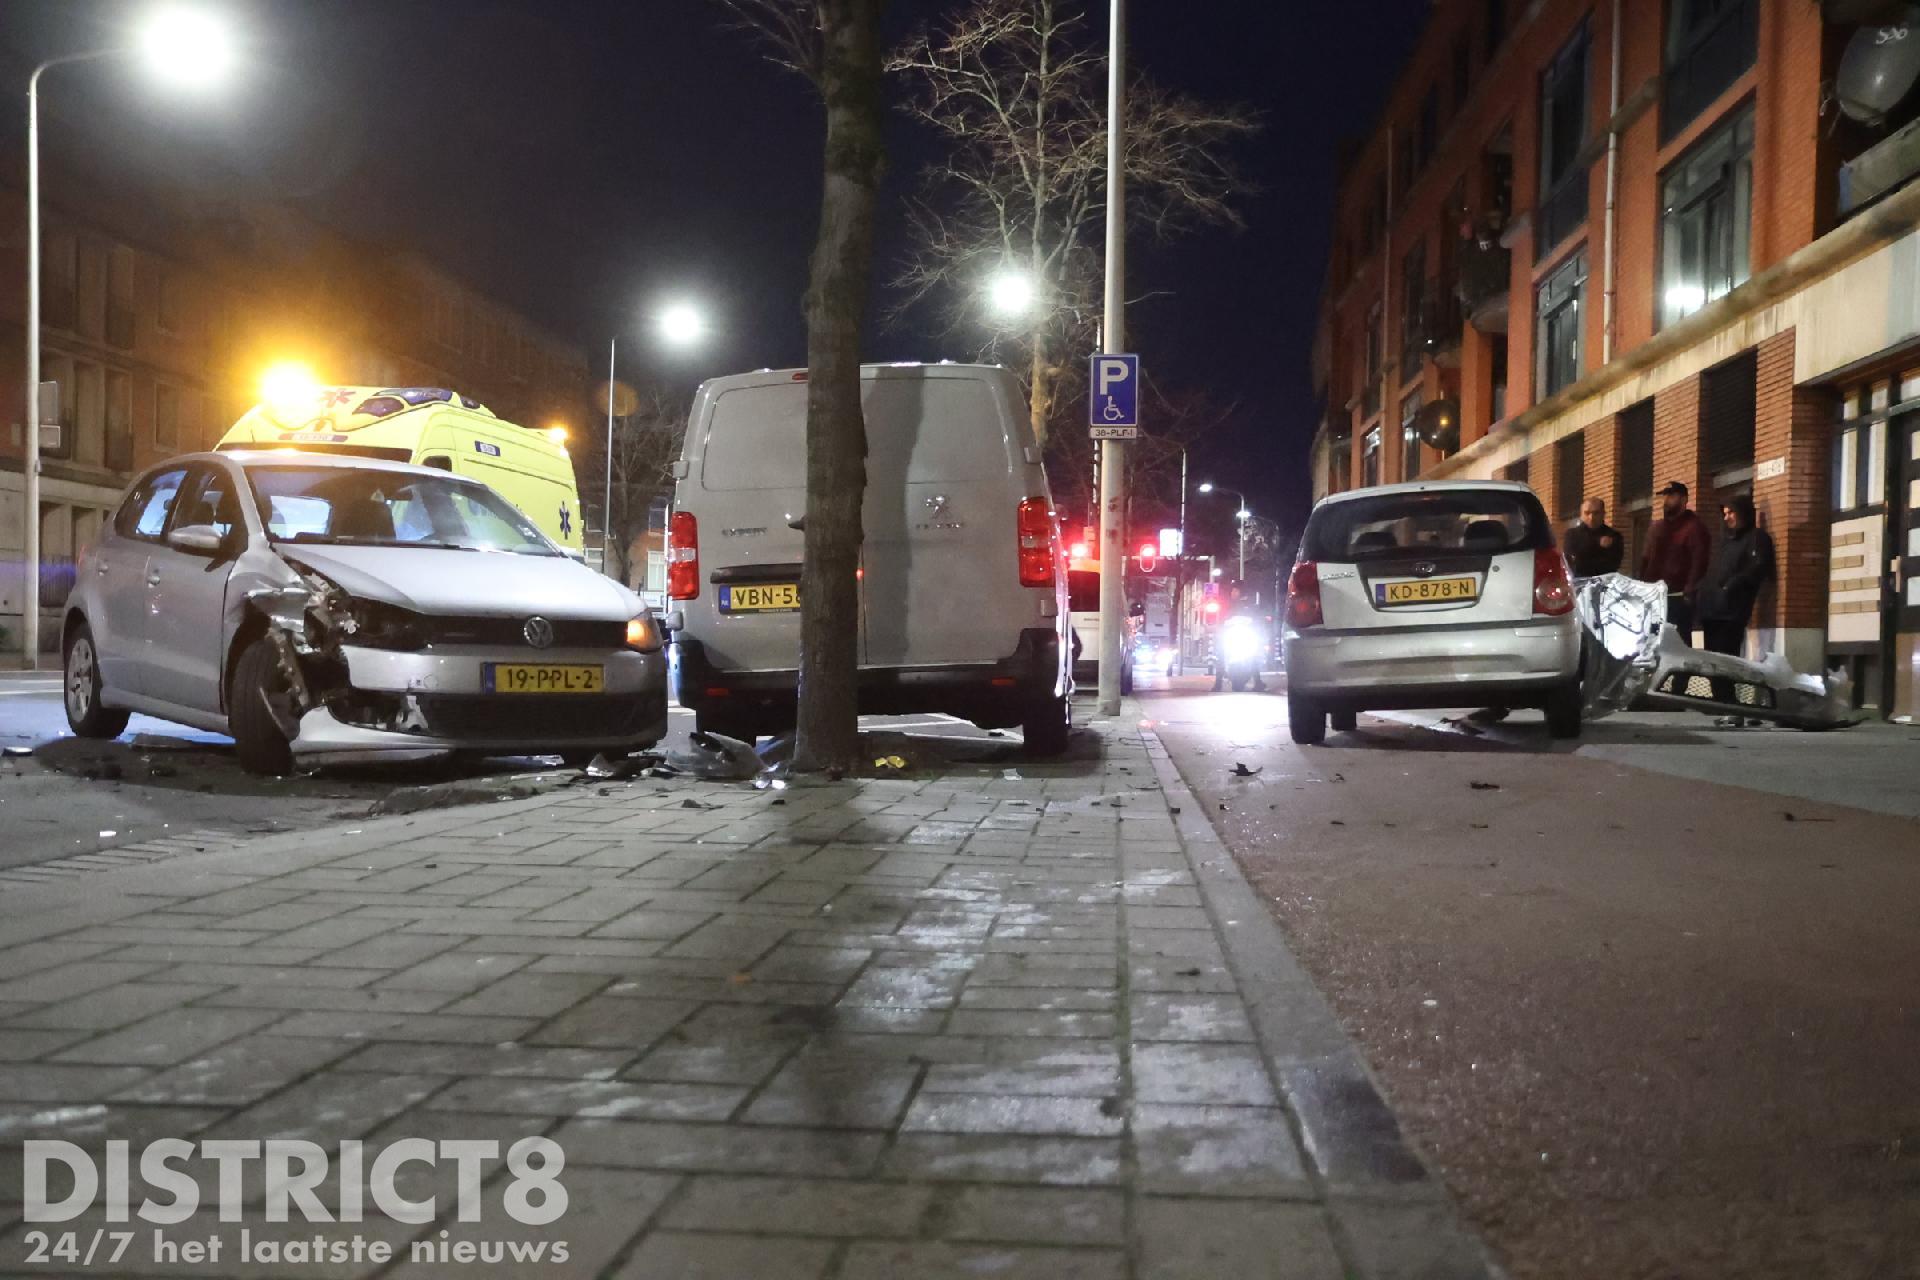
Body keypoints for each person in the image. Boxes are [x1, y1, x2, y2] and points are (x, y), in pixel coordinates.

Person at [1693, 495, 1776, 727]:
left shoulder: (1757, 538)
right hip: (1712, 609)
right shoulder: (1725, 542)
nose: (1728, 517)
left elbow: (1758, 567)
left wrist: (1734, 584)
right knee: (1713, 661)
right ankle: (1725, 706)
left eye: (1732, 512)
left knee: (1728, 660)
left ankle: (1736, 709)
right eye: (1725, 513)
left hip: (1732, 610)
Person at [1638, 480, 1711, 638]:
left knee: (1678, 644)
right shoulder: (1657, 528)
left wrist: (1689, 589)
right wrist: (1641, 587)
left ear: (1684, 500)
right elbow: (1646, 559)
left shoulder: (1694, 528)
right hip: (1653, 597)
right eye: (1664, 496)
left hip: (1678, 598)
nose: (1666, 501)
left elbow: (1699, 561)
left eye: (1671, 496)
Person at [1562, 497, 1624, 578]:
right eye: (1587, 513)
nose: (1591, 517)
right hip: (1579, 583)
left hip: (1605, 584)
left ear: (1603, 514)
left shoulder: (1614, 536)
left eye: (1596, 513)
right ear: (1581, 515)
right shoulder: (1572, 534)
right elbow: (1571, 563)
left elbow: (1613, 564)